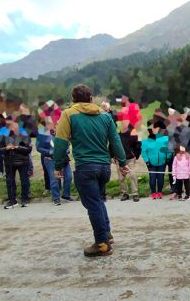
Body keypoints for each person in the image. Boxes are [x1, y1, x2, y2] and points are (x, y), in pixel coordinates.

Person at [53, 84, 129, 257]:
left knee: (93, 204)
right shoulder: (104, 115)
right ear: (91, 98)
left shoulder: (68, 114)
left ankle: (101, 244)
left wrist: (58, 166)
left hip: (85, 167)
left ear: (73, 99)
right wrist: (122, 162)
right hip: (104, 167)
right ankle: (107, 235)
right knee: (98, 201)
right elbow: (115, 141)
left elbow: (60, 142)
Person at [0, 122, 32, 209]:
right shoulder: (4, 137)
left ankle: (25, 199)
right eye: (12, 128)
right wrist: (6, 148)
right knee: (10, 181)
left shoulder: (24, 136)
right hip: (9, 162)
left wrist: (17, 147)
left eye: (16, 128)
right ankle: (12, 200)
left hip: (22, 162)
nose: (14, 129)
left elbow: (29, 149)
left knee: (24, 180)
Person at [37, 125, 72, 205]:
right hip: (50, 159)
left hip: (63, 158)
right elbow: (39, 148)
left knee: (69, 177)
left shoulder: (62, 132)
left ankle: (66, 195)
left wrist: (67, 150)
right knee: (54, 179)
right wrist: (50, 152)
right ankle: (56, 198)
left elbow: (67, 144)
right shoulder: (42, 134)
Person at [141, 120, 169, 200]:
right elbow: (144, 152)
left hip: (162, 162)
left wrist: (168, 157)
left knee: (161, 178)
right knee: (152, 178)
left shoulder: (165, 138)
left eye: (156, 127)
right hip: (151, 163)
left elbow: (168, 149)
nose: (154, 129)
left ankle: (159, 192)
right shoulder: (145, 140)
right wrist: (147, 161)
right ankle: (153, 192)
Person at [115, 123, 141, 202]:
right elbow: (112, 145)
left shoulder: (132, 133)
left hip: (130, 158)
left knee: (132, 176)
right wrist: (112, 156)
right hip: (119, 159)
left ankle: (135, 194)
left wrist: (136, 155)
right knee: (121, 178)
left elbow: (138, 144)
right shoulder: (116, 135)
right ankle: (125, 193)